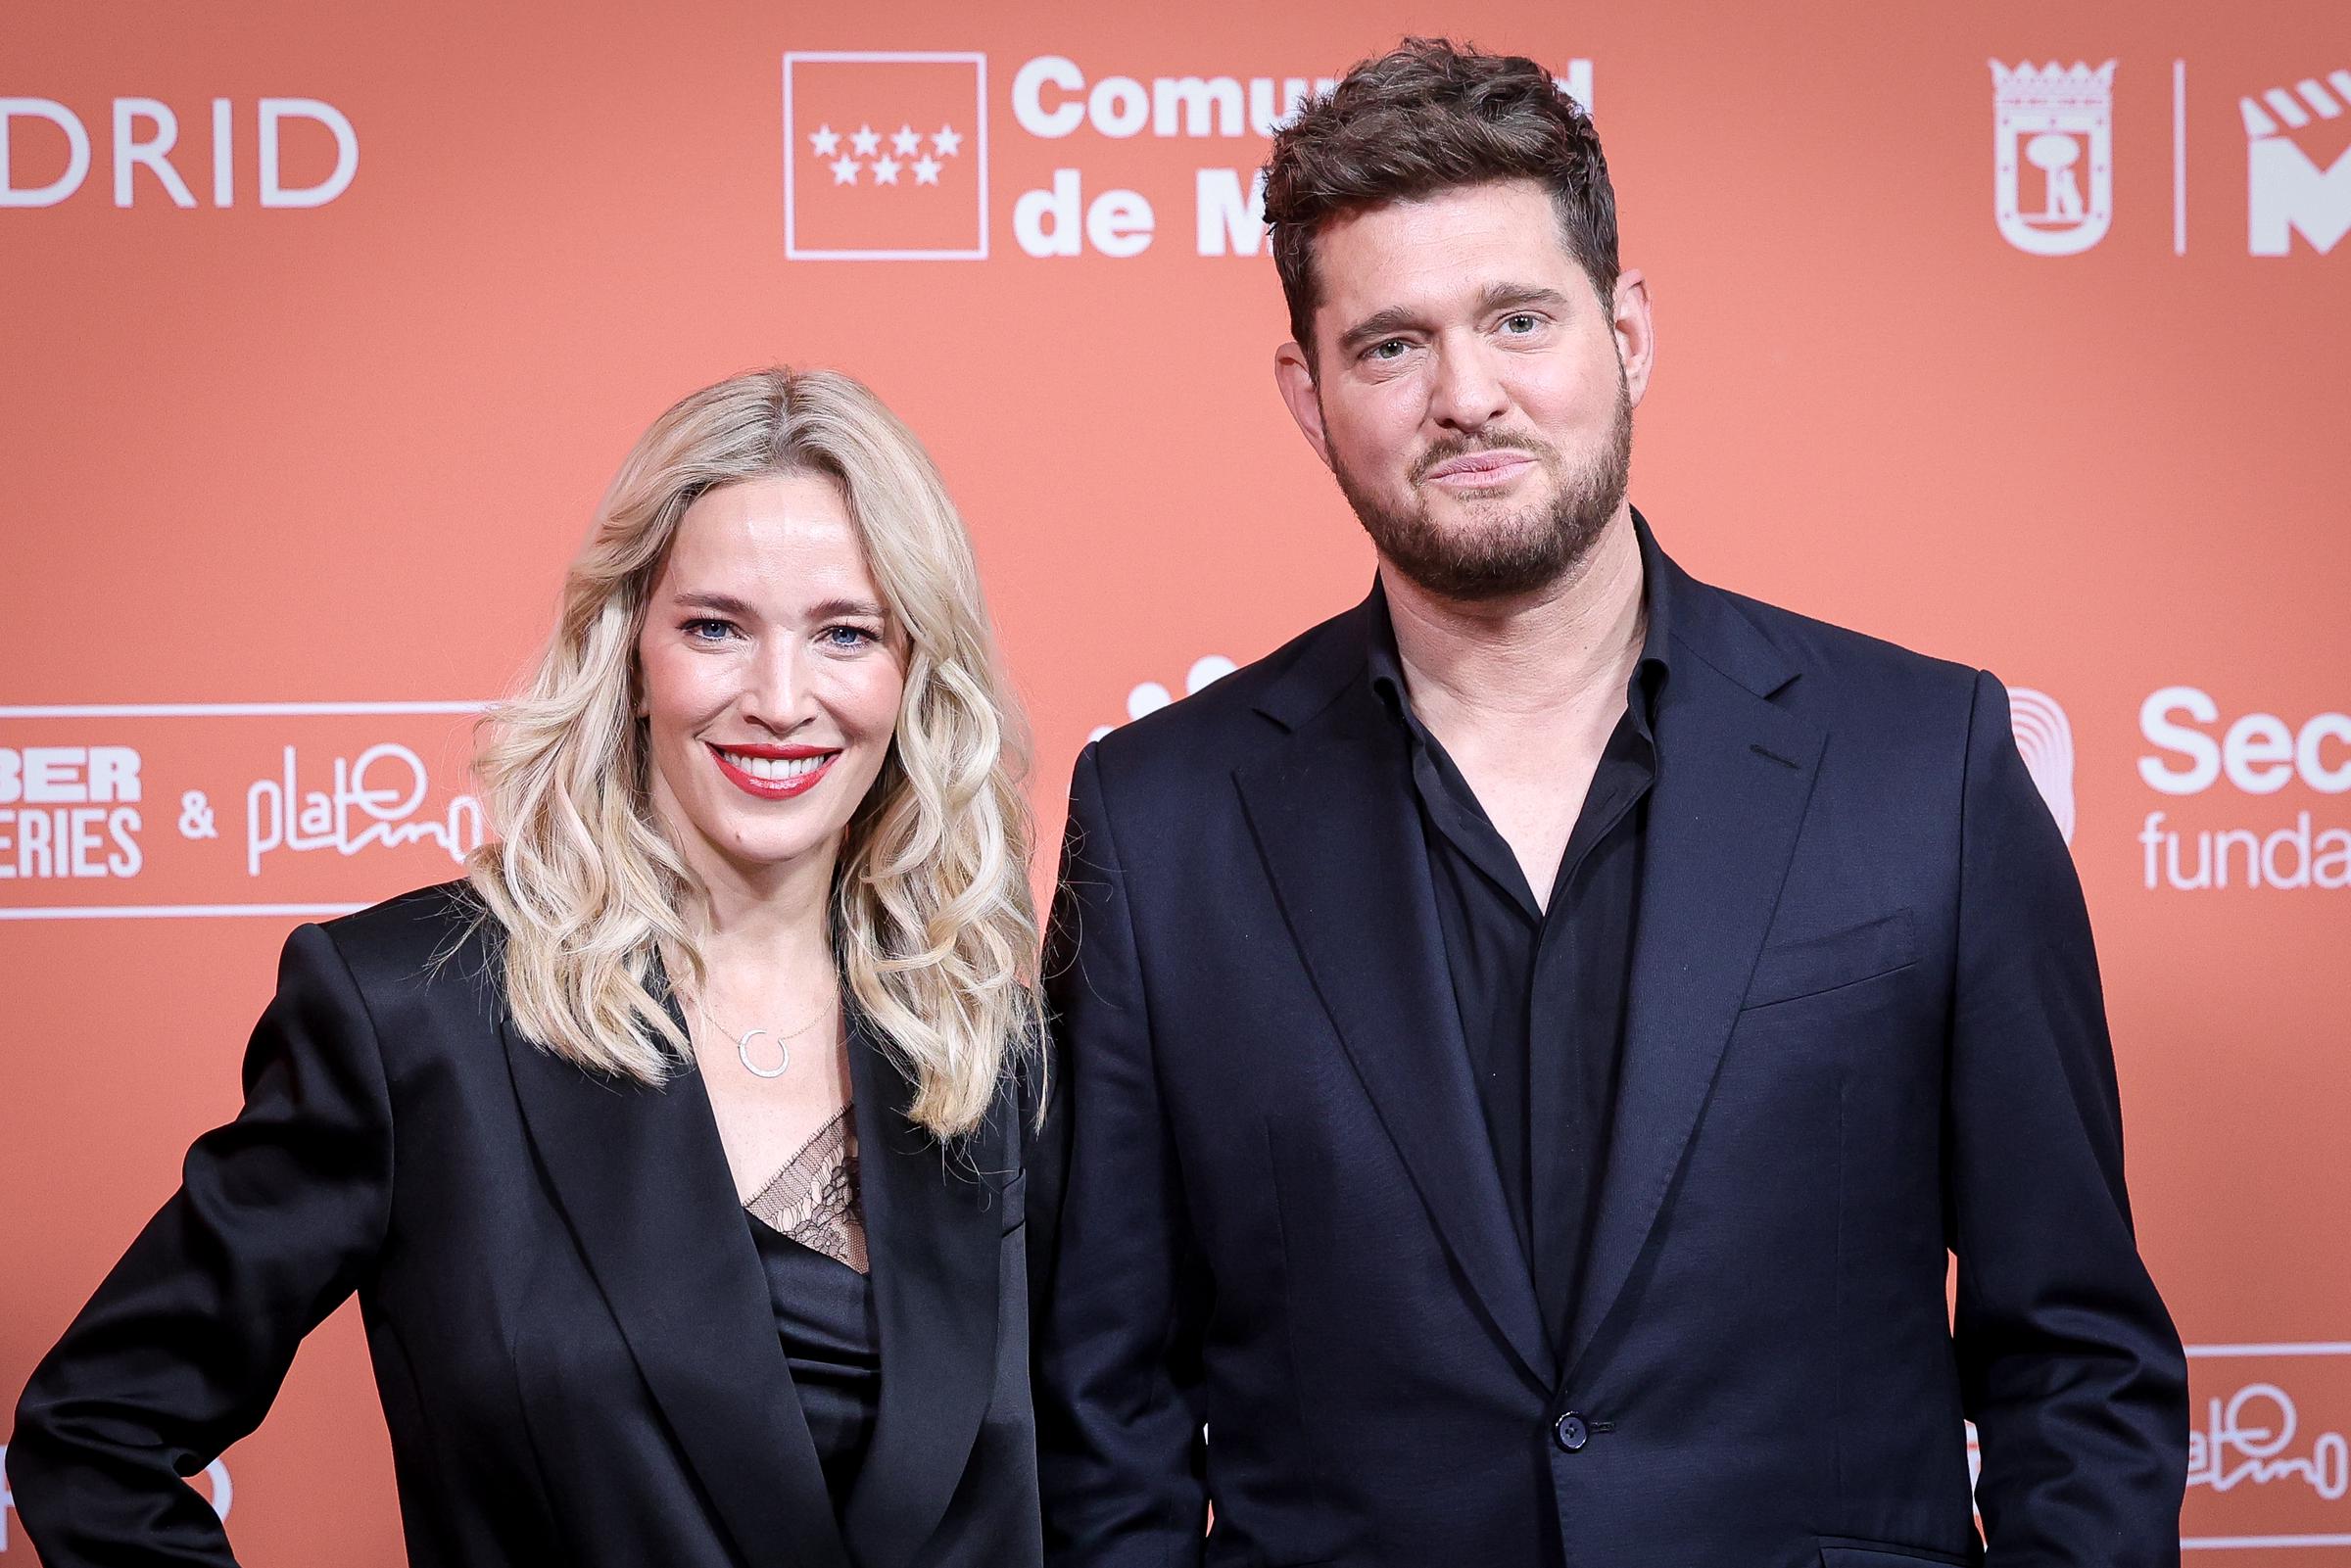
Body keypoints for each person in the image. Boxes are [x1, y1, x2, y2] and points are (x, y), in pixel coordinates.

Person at [1029, 38, 2187, 1568]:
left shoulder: (1929, 762)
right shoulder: (1161, 823)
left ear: (1628, 331)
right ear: (1307, 395)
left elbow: (2081, 1364)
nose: (1468, 396)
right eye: (1390, 347)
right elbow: (1097, 1418)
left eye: (1520, 320)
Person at [11, 367, 1045, 1568]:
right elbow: (93, 1434)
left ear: (915, 673)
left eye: (846, 632)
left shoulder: (988, 1045)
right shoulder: (414, 1010)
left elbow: (1088, 1478)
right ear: (628, 649)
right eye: (715, 625)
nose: (778, 698)